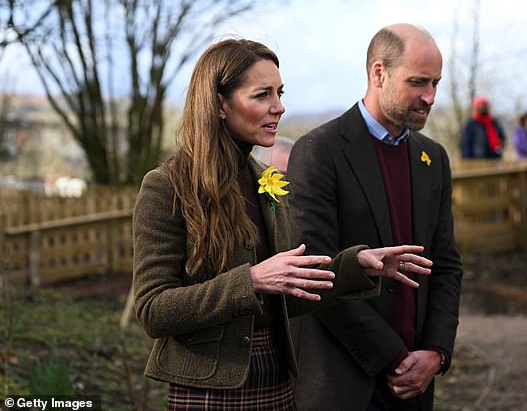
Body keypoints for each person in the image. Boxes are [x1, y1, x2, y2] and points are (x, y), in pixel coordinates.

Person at [132, 38, 434, 410]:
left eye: (280, 92)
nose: (279, 107)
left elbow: (287, 294)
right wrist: (253, 279)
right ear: (220, 104)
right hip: (209, 393)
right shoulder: (168, 186)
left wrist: (354, 267)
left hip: (277, 383)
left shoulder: (265, 181)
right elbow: (152, 310)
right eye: (262, 95)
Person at [287, 24, 463, 410]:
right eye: (418, 82)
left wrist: (435, 352)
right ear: (378, 73)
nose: (430, 97)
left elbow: (445, 265)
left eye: (435, 83)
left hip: (416, 386)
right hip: (344, 385)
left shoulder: (433, 158)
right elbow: (314, 273)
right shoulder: (319, 152)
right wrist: (395, 357)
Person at [460, 95, 505, 159]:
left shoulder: (494, 123)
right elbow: (466, 143)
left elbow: (501, 137)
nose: (484, 108)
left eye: (485, 106)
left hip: (494, 157)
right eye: (482, 106)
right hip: (477, 159)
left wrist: (500, 148)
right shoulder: (471, 124)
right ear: (477, 107)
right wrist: (467, 159)